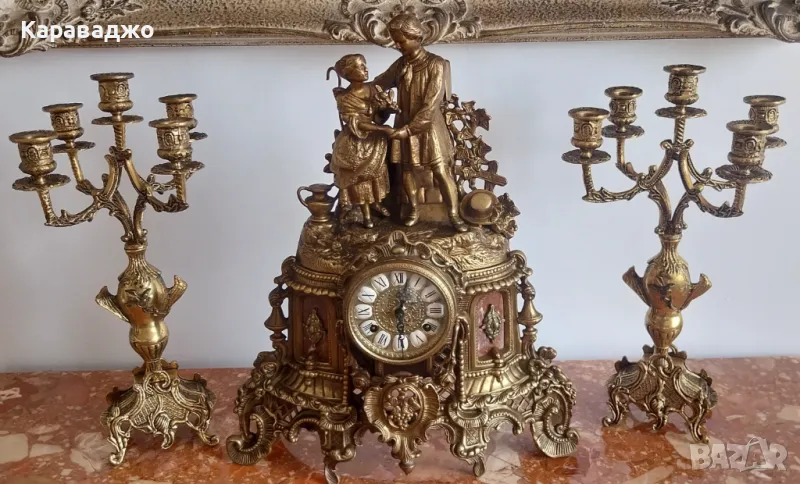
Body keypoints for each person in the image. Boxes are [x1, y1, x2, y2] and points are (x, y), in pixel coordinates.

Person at [373, 12, 467, 232]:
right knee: (407, 170)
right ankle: (413, 210)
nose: (397, 45)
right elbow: (379, 83)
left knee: (440, 170)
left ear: (415, 36)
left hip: (428, 127)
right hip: (403, 123)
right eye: (395, 41)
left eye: (401, 41)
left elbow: (431, 104)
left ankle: (453, 214)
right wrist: (355, 90)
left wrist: (408, 130)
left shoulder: (436, 64)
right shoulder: (401, 64)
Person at [328, 54, 395, 228]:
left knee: (377, 175)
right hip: (356, 143)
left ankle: (376, 203)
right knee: (361, 177)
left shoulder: (373, 89)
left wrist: (388, 110)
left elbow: (378, 117)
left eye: (365, 65)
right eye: (360, 66)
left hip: (375, 142)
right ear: (349, 73)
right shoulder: (345, 98)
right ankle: (365, 214)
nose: (366, 69)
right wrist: (383, 129)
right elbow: (356, 124)